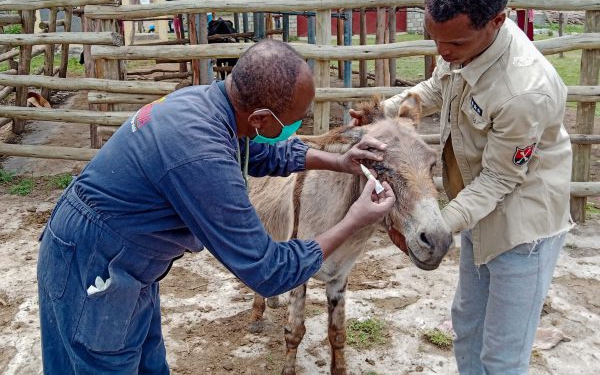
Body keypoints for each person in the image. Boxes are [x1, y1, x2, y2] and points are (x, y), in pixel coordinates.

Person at [37, 40, 396, 373]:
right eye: (294, 120)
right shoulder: (200, 156)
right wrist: (354, 220)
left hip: (125, 259)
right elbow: (268, 271)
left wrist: (338, 161)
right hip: (92, 262)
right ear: (259, 119)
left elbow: (259, 151)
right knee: (103, 362)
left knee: (146, 362)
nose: (298, 127)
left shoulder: (209, 105)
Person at [351, 0, 572, 374]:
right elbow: (436, 87)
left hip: (521, 229)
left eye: (454, 44)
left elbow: (499, 179)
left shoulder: (524, 92)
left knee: (503, 356)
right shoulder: (460, 50)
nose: (443, 52)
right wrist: (383, 112)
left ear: (497, 21)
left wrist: (437, 223)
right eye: (435, 39)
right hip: (473, 212)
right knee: (468, 327)